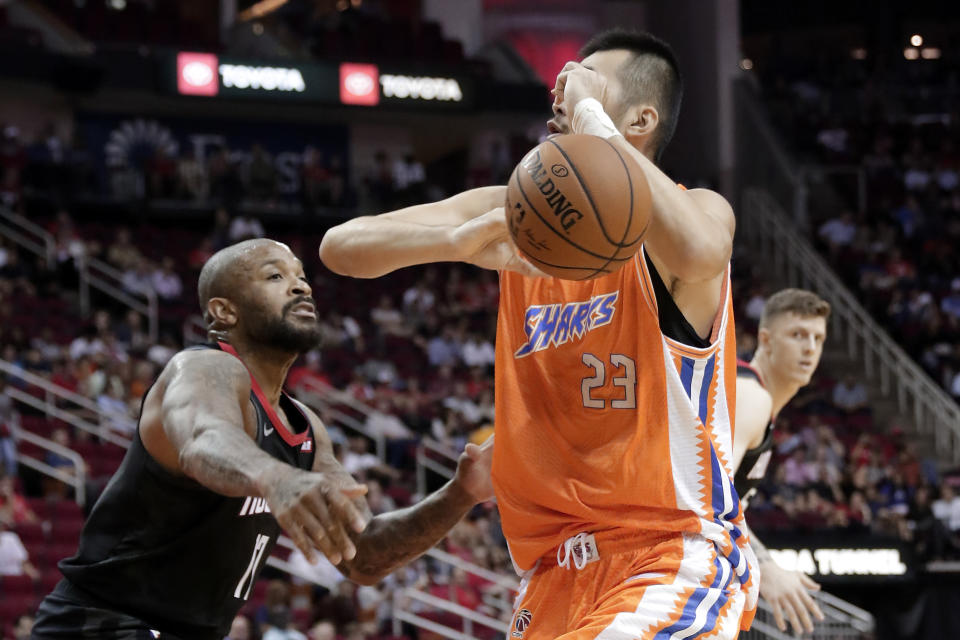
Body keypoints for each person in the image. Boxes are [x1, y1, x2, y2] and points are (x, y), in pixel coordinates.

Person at [321, 29, 758, 640]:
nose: (562, 86)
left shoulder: (697, 215)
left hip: (668, 554)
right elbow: (340, 248)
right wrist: (453, 242)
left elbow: (702, 247)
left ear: (639, 119)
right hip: (549, 581)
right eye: (566, 82)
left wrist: (589, 117)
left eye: (585, 78)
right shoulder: (517, 212)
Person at [32, 239, 494, 640]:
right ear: (223, 310)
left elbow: (365, 556)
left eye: (302, 276)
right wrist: (275, 478)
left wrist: (462, 493)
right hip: (100, 622)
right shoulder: (203, 368)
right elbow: (202, 438)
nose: (301, 286)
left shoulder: (305, 426)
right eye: (275, 276)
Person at [733, 289, 831, 634]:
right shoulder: (751, 397)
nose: (810, 348)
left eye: (817, 338)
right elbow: (704, 499)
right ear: (766, 339)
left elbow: (730, 506)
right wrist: (763, 568)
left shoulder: (760, 401)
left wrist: (765, 562)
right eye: (798, 335)